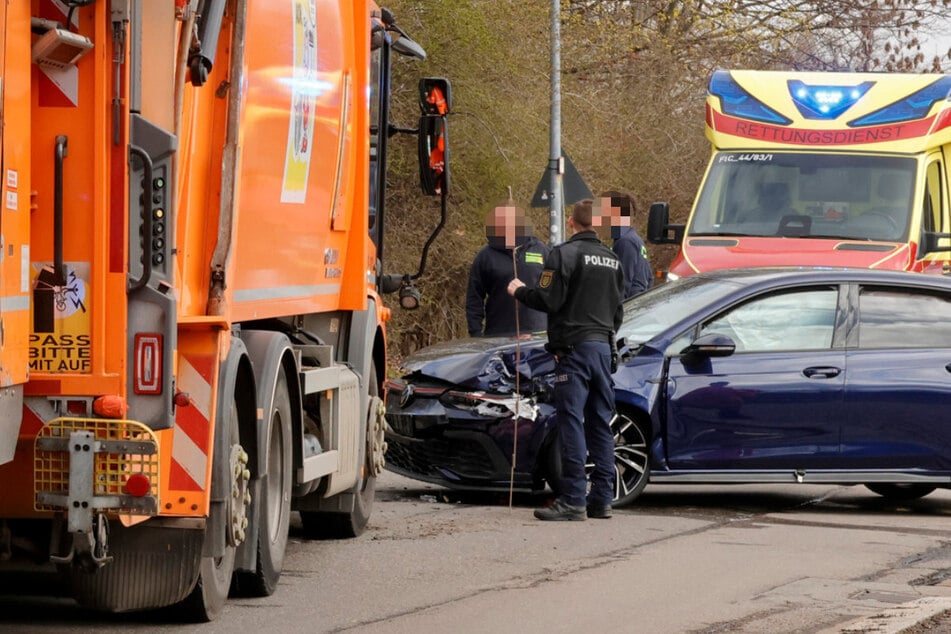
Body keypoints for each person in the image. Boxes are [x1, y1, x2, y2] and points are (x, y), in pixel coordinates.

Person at [507, 199, 624, 521]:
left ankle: (573, 499)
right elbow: (618, 312)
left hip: (573, 351)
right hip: (603, 349)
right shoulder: (613, 259)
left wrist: (519, 291)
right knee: (600, 423)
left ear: (571, 222)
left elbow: (547, 297)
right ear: (596, 224)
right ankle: (602, 499)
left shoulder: (562, 255)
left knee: (571, 420)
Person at [466, 201, 549, 337]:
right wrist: (476, 334)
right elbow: (474, 299)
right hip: (499, 335)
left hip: (538, 335)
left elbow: (556, 292)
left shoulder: (542, 251)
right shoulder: (485, 257)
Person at [596, 190, 652, 300]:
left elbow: (622, 282)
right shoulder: (634, 239)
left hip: (630, 305)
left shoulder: (625, 242)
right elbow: (649, 277)